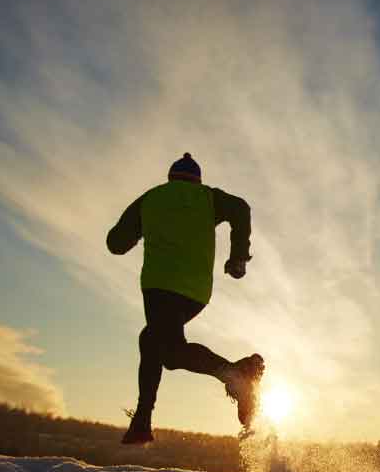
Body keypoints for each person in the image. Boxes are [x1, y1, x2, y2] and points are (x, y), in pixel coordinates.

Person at [107, 152, 264, 444]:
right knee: (152, 340)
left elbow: (115, 243)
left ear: (170, 179)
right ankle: (142, 422)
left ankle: (236, 374)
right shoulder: (208, 199)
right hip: (196, 293)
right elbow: (241, 208)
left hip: (159, 287)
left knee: (169, 351)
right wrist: (238, 257)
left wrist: (139, 232)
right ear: (197, 180)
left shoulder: (151, 199)